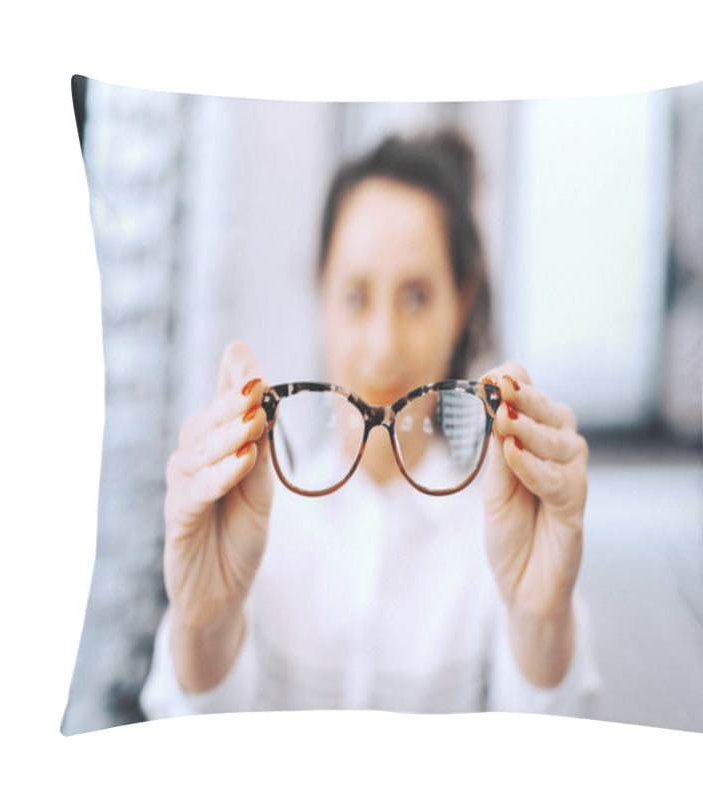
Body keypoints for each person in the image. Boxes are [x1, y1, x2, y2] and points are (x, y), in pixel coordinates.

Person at [140, 129, 600, 717]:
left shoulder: (508, 530)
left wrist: (541, 620)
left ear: (460, 306)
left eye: (416, 298)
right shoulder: (248, 521)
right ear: (322, 299)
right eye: (356, 296)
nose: (384, 350)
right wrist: (202, 629)